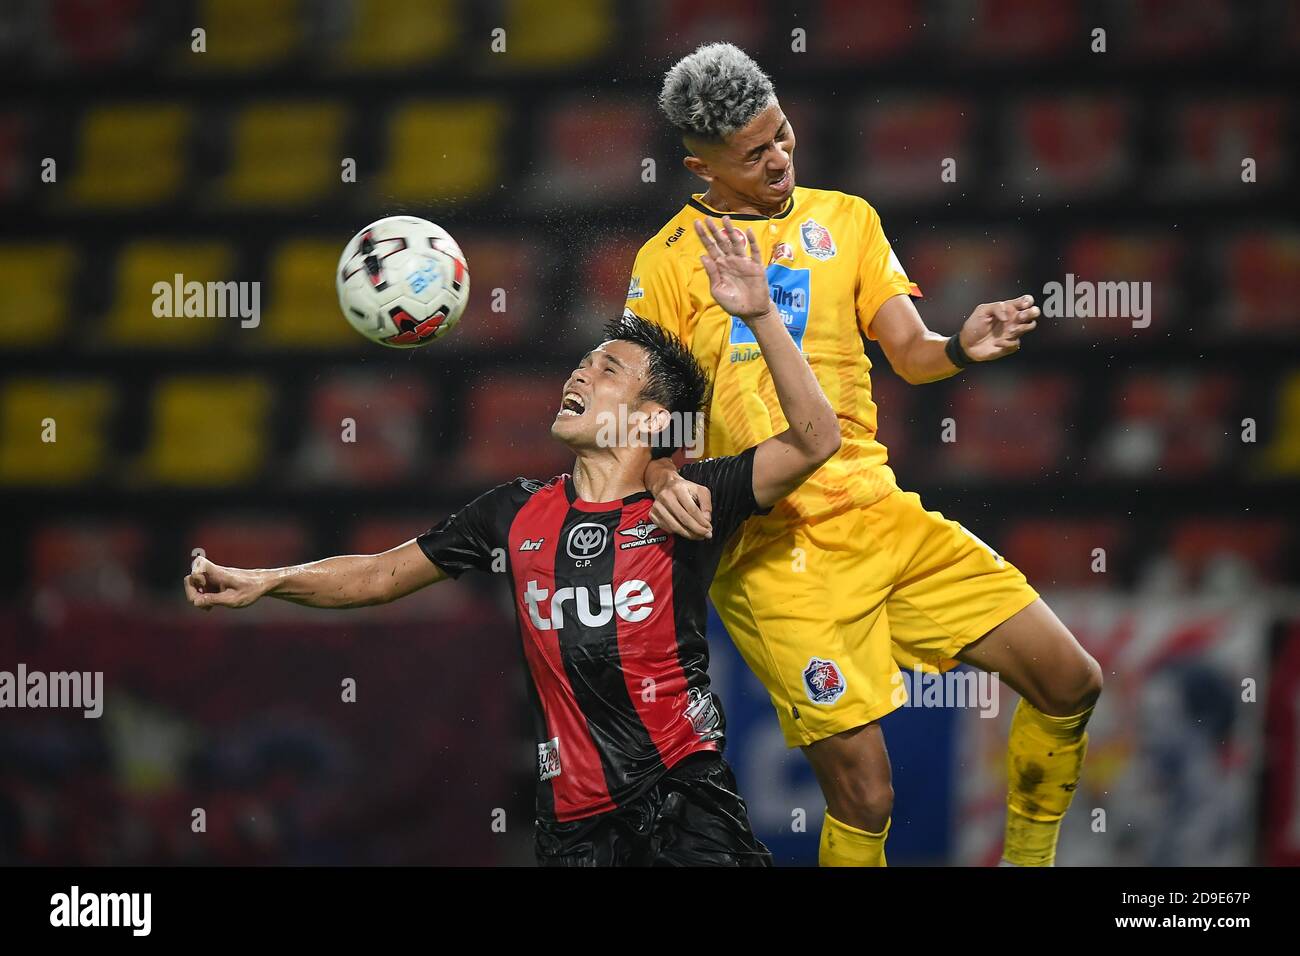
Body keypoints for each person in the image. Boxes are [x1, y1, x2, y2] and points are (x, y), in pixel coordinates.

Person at [184, 218, 841, 866]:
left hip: (684, 807)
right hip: (573, 829)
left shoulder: (689, 499)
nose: (578, 377)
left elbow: (816, 439)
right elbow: (380, 576)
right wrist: (270, 581)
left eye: (606, 369)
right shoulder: (514, 512)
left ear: (651, 418)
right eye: (582, 364)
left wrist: (760, 316)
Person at [630, 42, 1103, 866]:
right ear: (698, 164)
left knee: (1072, 682)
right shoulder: (668, 260)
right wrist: (663, 476)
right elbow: (646, 411)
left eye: (782, 135)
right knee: (866, 795)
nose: (778, 158)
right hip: (772, 550)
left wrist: (962, 344)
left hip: (879, 515)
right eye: (754, 153)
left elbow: (913, 354)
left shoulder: (846, 219)